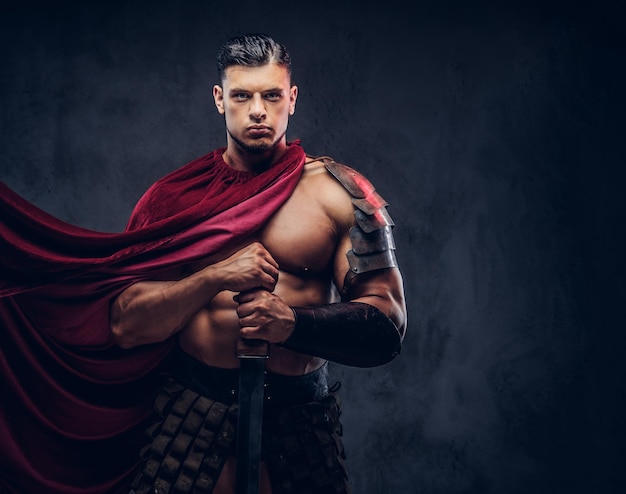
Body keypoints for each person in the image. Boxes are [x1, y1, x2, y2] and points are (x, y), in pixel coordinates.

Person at [108, 34, 407, 494]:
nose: (258, 110)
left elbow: (388, 326)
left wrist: (291, 324)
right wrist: (213, 277)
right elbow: (127, 325)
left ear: (292, 98)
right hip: (189, 419)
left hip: (300, 426)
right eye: (242, 95)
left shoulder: (341, 195)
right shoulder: (171, 201)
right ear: (219, 98)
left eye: (271, 95)